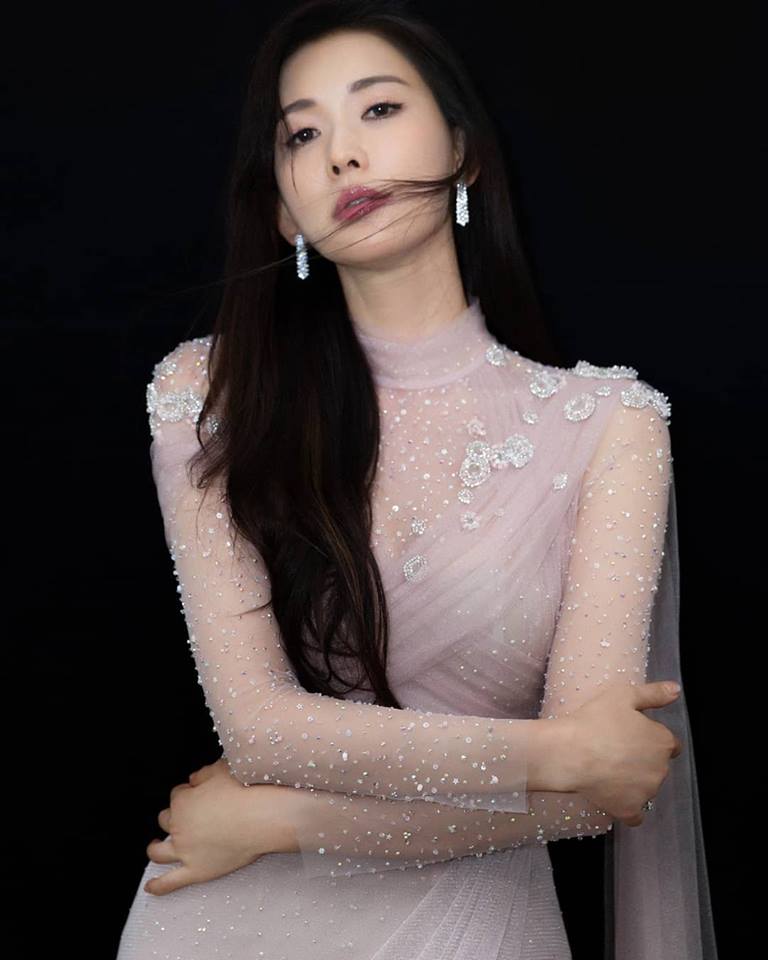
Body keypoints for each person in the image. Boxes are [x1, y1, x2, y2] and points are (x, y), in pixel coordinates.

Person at [116, 1, 718, 958]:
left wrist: (282, 823)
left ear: (464, 151)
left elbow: (605, 795)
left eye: (379, 110)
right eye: (302, 135)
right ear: (283, 209)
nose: (343, 156)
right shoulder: (208, 390)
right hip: (225, 924)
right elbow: (260, 729)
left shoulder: (610, 424)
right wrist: (557, 753)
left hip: (461, 923)